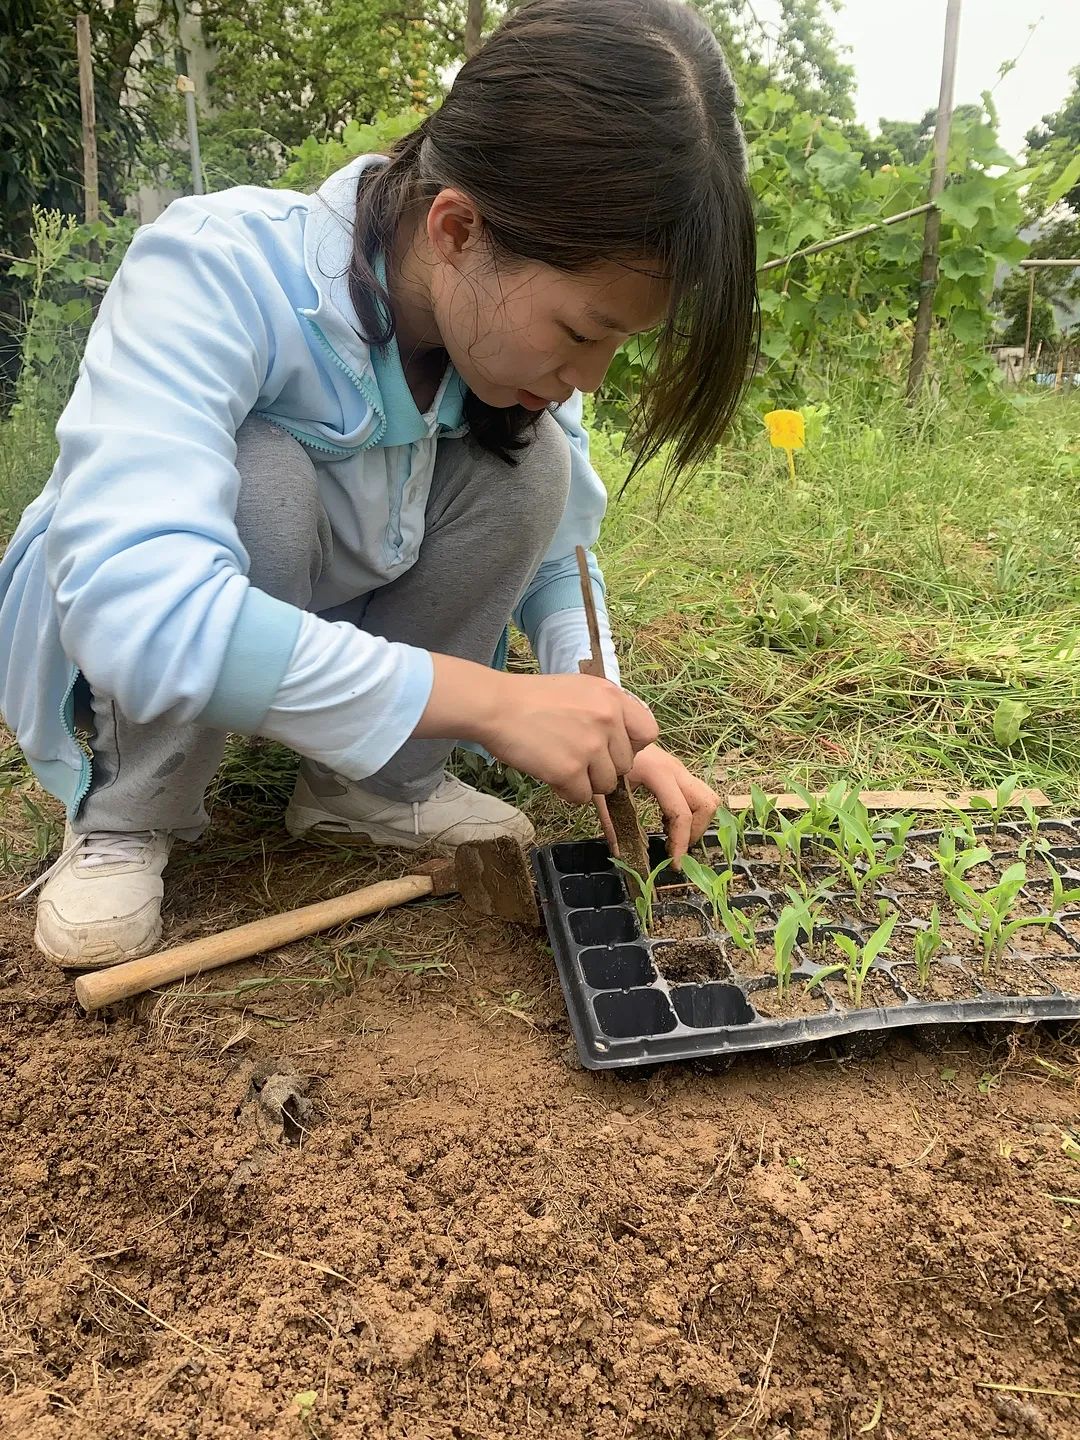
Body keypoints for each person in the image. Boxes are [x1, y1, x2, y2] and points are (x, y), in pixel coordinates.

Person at [0, 0, 758, 970]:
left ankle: (373, 785)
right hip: (145, 633)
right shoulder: (215, 270)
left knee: (537, 466)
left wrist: (592, 703)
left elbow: (559, 553)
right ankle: (128, 808)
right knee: (259, 478)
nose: (593, 375)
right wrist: (490, 702)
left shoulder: (498, 352)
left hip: (320, 598)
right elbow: (141, 611)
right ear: (457, 228)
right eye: (581, 332)